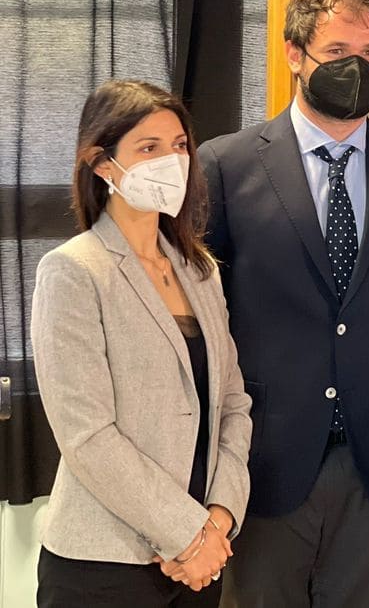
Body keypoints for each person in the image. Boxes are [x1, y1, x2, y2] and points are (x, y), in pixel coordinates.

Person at [198, 0, 369, 608]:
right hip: (259, 466)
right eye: (337, 51)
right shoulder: (225, 166)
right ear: (295, 55)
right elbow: (201, 331)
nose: (356, 67)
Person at [31, 80, 251, 607]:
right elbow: (87, 435)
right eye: (149, 148)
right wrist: (186, 534)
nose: (171, 162)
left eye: (179, 146)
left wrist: (219, 518)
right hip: (103, 564)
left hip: (201, 560)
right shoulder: (73, 270)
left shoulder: (200, 272)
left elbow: (233, 405)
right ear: (102, 165)